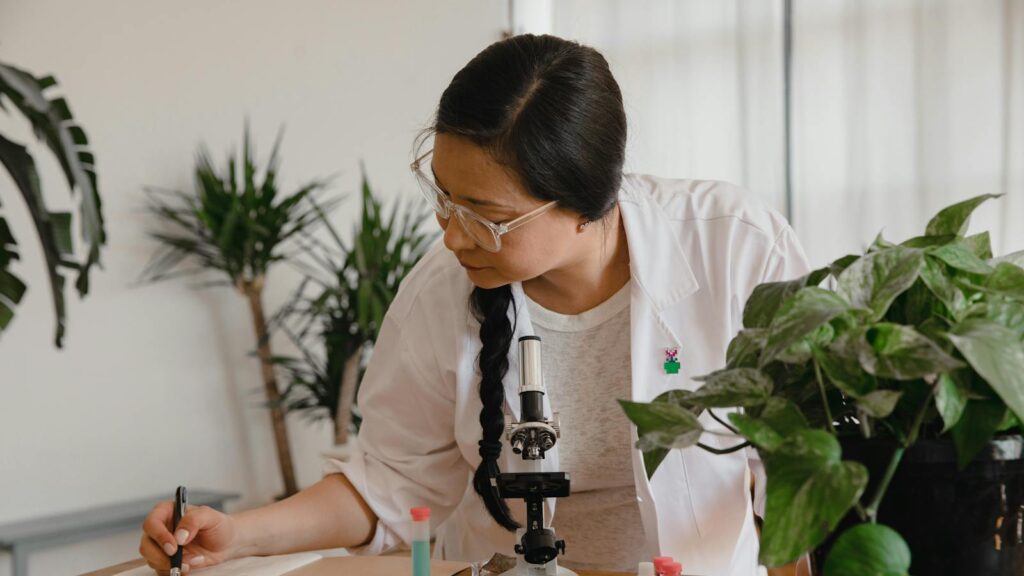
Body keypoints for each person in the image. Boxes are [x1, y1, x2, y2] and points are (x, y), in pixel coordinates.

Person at [139, 33, 811, 576]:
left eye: (486, 214)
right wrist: (239, 535)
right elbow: (389, 483)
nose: (452, 233)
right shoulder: (442, 290)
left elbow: (805, 469)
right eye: (444, 198)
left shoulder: (732, 246)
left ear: (585, 202)